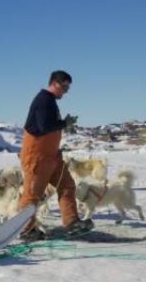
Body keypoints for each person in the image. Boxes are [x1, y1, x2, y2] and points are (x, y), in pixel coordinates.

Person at [18, 70, 93, 238]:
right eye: (64, 87)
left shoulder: (51, 102)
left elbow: (50, 127)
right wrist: (63, 123)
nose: (66, 92)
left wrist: (62, 127)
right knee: (32, 196)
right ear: (54, 83)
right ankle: (25, 230)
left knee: (67, 186)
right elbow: (44, 126)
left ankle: (72, 222)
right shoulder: (43, 100)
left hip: (52, 158)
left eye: (68, 88)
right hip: (37, 158)